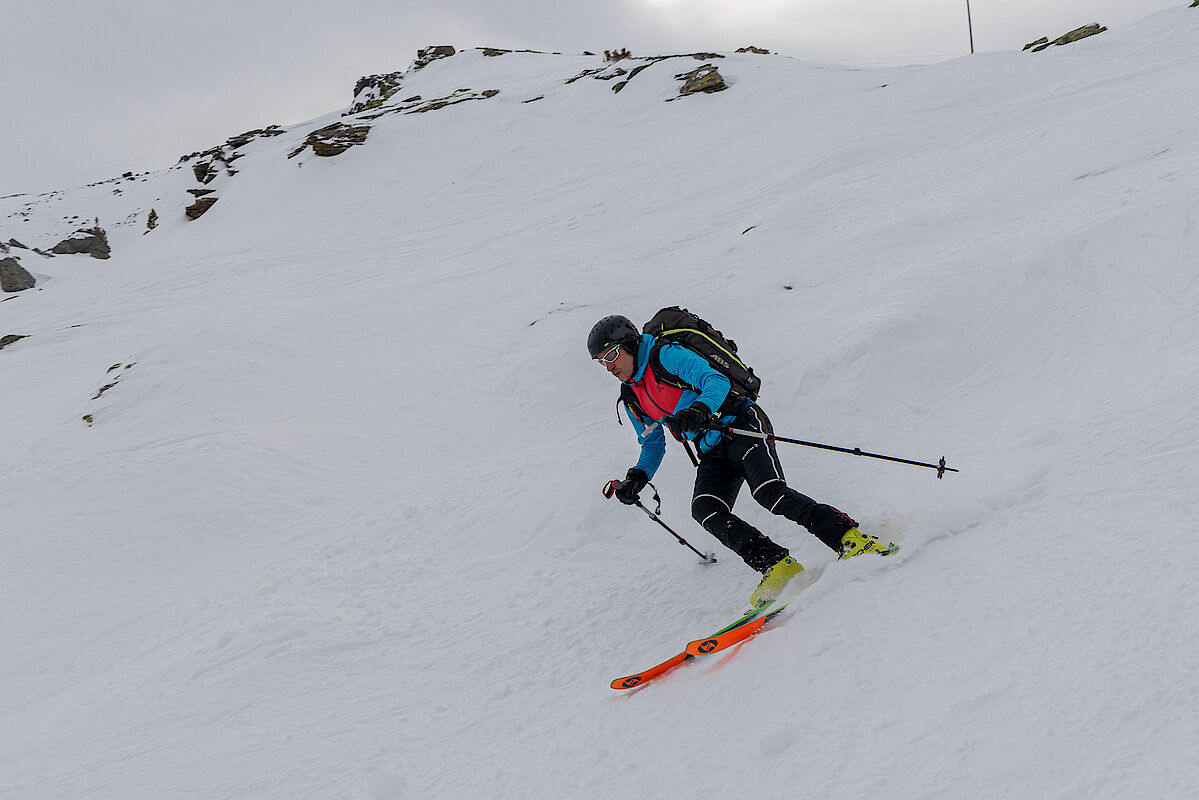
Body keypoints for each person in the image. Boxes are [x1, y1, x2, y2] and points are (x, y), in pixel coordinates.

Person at [589, 313, 894, 606]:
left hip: (741, 423)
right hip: (711, 447)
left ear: (629, 344)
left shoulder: (665, 356)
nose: (608, 366)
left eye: (612, 355)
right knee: (706, 510)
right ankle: (779, 566)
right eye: (602, 361)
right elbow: (653, 445)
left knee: (769, 493)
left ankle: (852, 538)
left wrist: (698, 410)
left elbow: (716, 381)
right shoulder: (631, 396)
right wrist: (637, 478)